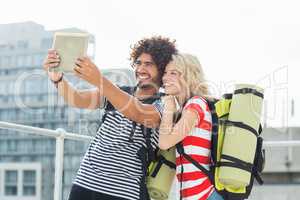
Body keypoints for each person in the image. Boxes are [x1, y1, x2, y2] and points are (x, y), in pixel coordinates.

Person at [43, 36, 177, 200]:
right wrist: (58, 79)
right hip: (85, 182)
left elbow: (138, 112)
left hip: (123, 192)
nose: (141, 69)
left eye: (148, 64)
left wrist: (99, 79)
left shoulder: (165, 104)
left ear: (162, 69)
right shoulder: (118, 92)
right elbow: (77, 98)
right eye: (138, 63)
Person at [158, 53, 223, 200]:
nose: (165, 78)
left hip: (205, 195)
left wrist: (168, 105)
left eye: (173, 73)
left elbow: (164, 142)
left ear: (189, 76)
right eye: (165, 73)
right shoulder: (187, 107)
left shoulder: (196, 105)